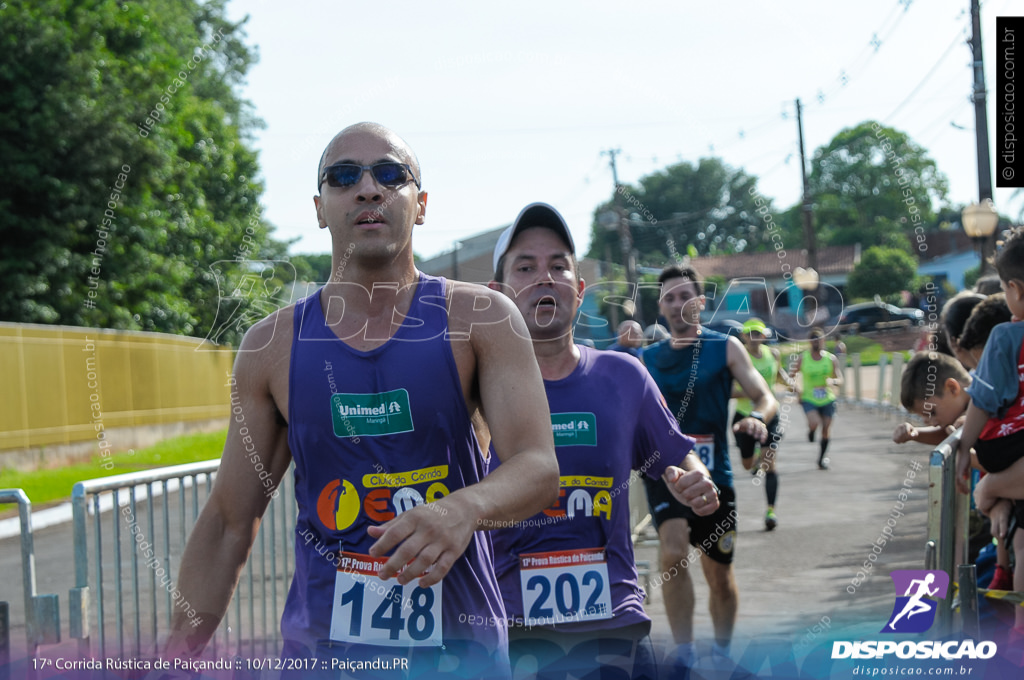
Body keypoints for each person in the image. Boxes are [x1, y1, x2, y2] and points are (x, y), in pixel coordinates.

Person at [165, 123, 560, 678]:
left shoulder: (482, 320)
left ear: (420, 204)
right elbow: (230, 522)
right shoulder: (270, 347)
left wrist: (462, 509)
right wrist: (175, 653)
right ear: (321, 207)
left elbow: (538, 467)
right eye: (344, 176)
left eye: (391, 174)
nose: (369, 188)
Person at [485, 203, 720, 679]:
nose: (544, 278)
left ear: (579, 288)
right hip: (510, 631)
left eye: (558, 266)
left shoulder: (623, 376)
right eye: (525, 267)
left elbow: (678, 457)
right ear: (498, 294)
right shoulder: (472, 390)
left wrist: (695, 480)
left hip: (614, 623)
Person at [641, 265, 779, 660]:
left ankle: (721, 651)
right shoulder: (647, 359)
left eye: (685, 296)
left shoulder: (725, 347)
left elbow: (764, 396)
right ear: (661, 307)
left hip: (715, 475)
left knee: (718, 573)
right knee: (672, 548)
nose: (677, 303)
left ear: (700, 302)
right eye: (669, 297)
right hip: (665, 472)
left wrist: (757, 417)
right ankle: (684, 652)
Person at [957, 226, 1024, 632]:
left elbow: (983, 397)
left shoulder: (1006, 335)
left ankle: (1018, 625)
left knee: (1022, 539)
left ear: (1014, 288)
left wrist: (965, 444)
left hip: (1008, 443)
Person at [733, 318, 792, 531]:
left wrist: (791, 383)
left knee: (770, 464)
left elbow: (778, 375)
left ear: (764, 336)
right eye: (751, 334)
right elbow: (729, 390)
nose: (755, 338)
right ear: (744, 336)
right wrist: (753, 392)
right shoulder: (738, 359)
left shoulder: (772, 354)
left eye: (759, 334)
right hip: (743, 418)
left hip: (769, 415)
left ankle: (770, 511)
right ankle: (755, 458)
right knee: (748, 465)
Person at [792, 328, 842, 469]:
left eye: (818, 339)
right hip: (809, 397)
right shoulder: (803, 358)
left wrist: (834, 382)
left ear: (823, 341)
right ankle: (811, 430)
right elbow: (791, 376)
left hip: (827, 398)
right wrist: (797, 390)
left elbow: (839, 378)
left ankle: (821, 459)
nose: (816, 342)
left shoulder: (830, 359)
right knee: (815, 422)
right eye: (813, 340)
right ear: (810, 342)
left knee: (826, 429)